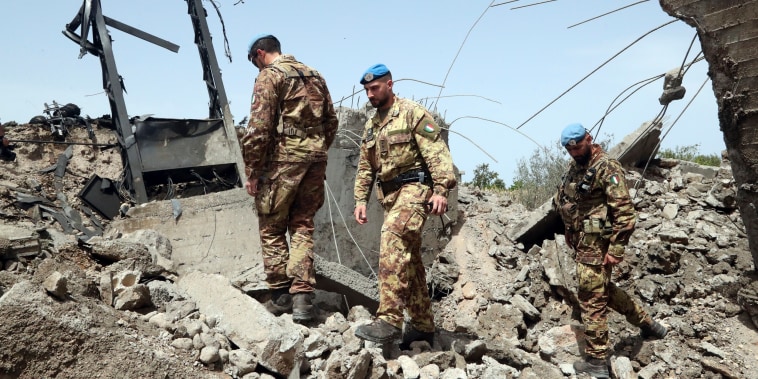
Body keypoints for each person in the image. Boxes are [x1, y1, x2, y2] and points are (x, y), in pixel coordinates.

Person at [352, 63, 456, 348]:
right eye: (367, 90)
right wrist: (360, 199)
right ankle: (423, 326)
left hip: (416, 189)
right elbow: (365, 167)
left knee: (393, 237)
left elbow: (437, 152)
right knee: (410, 263)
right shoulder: (372, 125)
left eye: (375, 88)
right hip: (390, 197)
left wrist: (441, 190)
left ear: (389, 84)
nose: (370, 94)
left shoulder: (412, 113)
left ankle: (389, 319)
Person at [553, 123, 668, 378]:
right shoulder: (577, 167)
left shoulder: (607, 167)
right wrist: (570, 230)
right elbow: (572, 202)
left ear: (589, 138)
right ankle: (649, 325)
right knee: (603, 290)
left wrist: (616, 249)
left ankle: (597, 361)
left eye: (578, 146)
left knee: (591, 298)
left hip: (599, 244)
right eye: (569, 149)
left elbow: (625, 213)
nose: (573, 152)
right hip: (583, 242)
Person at [240, 34, 338, 322]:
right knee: (303, 225)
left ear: (260, 53)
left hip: (284, 160)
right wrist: (315, 148)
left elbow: (259, 128)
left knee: (271, 224)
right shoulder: (315, 74)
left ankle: (282, 296)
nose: (256, 68)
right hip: (316, 158)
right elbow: (331, 121)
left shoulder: (269, 76)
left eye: (254, 62)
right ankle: (303, 300)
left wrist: (253, 171)